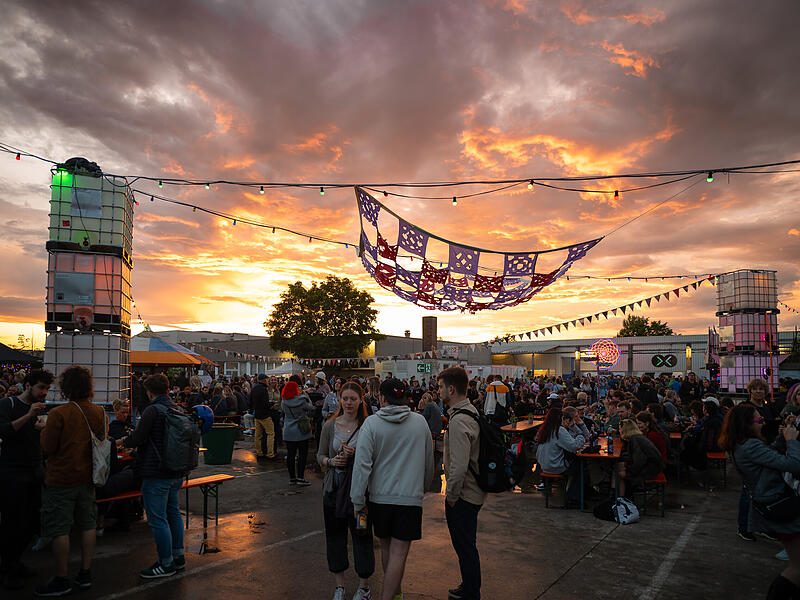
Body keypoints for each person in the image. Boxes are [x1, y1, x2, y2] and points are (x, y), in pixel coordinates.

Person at [350, 378, 433, 600]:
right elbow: (428, 462)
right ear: (405, 397)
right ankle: (393, 595)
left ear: (382, 397)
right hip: (409, 498)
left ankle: (395, 595)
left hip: (380, 498)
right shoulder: (419, 423)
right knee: (399, 553)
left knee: (387, 550)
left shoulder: (371, 424)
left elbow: (362, 466)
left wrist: (358, 501)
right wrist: (422, 489)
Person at [36, 366, 106, 596]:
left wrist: (42, 429)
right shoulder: (98, 412)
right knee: (87, 525)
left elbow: (48, 447)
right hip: (87, 478)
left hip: (60, 478)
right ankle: (85, 572)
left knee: (59, 529)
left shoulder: (59, 414)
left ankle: (61, 577)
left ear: (66, 388)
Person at [720, 403, 800, 598]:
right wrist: (792, 441)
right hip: (778, 504)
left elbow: (769, 457)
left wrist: (782, 436)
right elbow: (795, 465)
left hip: (771, 502)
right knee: (797, 568)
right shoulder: (750, 446)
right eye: (759, 419)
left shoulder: (742, 444)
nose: (763, 421)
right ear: (747, 424)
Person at [117, 374, 187, 579]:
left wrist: (122, 442)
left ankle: (165, 563)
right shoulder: (177, 408)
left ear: (149, 392)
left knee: (158, 520)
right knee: (173, 513)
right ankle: (178, 556)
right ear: (167, 389)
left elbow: (138, 438)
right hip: (176, 470)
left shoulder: (152, 410)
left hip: (156, 472)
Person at [317, 382, 374, 600]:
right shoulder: (330, 425)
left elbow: (375, 456)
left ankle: (364, 587)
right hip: (333, 490)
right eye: (345, 398)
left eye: (353, 399)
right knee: (335, 537)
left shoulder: (369, 425)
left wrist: (356, 454)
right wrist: (331, 461)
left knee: (362, 536)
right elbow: (320, 455)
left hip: (360, 492)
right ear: (340, 400)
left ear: (361, 400)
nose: (348, 403)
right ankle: (339, 586)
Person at [0, 369, 52, 591]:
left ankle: (15, 562)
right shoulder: (8, 405)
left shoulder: (42, 409)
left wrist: (43, 431)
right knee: (12, 524)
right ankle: (7, 569)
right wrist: (29, 416)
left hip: (35, 471)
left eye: (47, 389)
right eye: (41, 388)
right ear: (28, 385)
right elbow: (3, 431)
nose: (44, 393)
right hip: (12, 473)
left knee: (32, 523)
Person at [439, 367, 486, 600]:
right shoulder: (471, 411)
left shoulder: (458, 421)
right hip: (473, 491)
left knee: (465, 547)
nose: (438, 392)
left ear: (451, 388)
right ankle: (468, 586)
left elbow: (457, 467)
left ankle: (471, 592)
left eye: (440, 387)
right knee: (467, 545)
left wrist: (451, 496)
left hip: (464, 495)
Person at [535, 407, 583, 505]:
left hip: (543, 467)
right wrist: (580, 436)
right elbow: (574, 447)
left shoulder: (544, 430)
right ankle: (573, 497)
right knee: (581, 465)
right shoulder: (559, 430)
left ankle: (573, 494)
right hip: (555, 467)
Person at [616, 419, 663, 498]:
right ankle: (623, 498)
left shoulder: (634, 439)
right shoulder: (637, 437)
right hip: (653, 466)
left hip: (650, 470)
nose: (619, 431)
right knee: (620, 469)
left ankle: (622, 499)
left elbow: (639, 461)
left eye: (620, 428)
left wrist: (628, 470)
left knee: (619, 474)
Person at [282, 377, 313, 486]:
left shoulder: (284, 401)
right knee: (302, 454)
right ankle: (300, 477)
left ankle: (292, 478)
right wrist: (306, 395)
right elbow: (311, 407)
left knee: (291, 455)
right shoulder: (302, 400)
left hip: (289, 430)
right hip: (301, 430)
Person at [250, 374, 276, 461]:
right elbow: (265, 403)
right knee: (271, 433)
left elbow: (250, 401)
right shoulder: (263, 389)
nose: (268, 381)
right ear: (264, 380)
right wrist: (271, 404)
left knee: (258, 435)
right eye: (267, 379)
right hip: (265, 415)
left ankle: (259, 452)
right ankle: (270, 454)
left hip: (257, 414)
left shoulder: (254, 388)